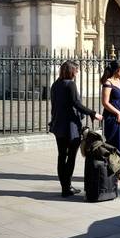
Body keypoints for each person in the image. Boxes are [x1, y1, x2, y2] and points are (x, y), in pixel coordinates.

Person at [49, 60, 102, 197]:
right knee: (71, 156)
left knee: (61, 156)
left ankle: (64, 187)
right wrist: (92, 113)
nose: (77, 73)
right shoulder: (70, 84)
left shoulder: (55, 84)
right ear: (71, 71)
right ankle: (67, 188)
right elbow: (76, 103)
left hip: (58, 124)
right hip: (70, 126)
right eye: (76, 70)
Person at [100, 60, 120, 180]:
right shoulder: (108, 83)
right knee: (116, 142)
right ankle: (116, 169)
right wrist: (117, 112)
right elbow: (105, 102)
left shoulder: (119, 81)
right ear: (117, 70)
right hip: (113, 116)